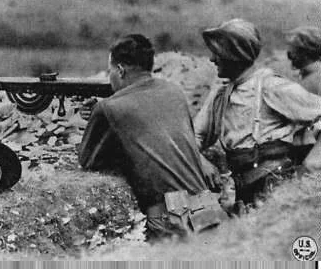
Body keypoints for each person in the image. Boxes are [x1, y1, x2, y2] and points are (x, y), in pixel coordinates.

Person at [78, 34, 226, 242]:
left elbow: (89, 161)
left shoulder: (108, 108)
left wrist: (99, 117)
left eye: (110, 70)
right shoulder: (174, 92)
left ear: (120, 70)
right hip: (207, 207)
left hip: (170, 216)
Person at [194, 19, 321, 208]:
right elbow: (195, 136)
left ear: (234, 54)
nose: (212, 59)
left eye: (217, 53)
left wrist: (313, 163)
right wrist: (201, 161)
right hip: (242, 192)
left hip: (275, 191)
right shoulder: (220, 95)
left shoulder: (272, 87)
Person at [286, 26, 321, 95]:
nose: (290, 55)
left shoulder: (318, 79)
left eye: (293, 49)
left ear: (305, 52)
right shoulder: (304, 75)